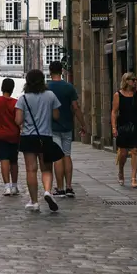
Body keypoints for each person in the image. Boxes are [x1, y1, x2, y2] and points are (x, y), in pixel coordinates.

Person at [15, 69, 62, 213]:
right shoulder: (50, 95)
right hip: (45, 136)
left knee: (31, 169)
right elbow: (56, 116)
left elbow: (18, 120)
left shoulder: (23, 99)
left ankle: (34, 201)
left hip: (29, 137)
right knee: (46, 168)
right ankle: (47, 191)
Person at [47, 61, 88, 198]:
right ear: (62, 71)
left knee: (57, 157)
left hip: (52, 127)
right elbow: (75, 107)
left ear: (50, 71)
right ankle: (69, 187)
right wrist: (83, 124)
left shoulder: (47, 88)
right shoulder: (69, 87)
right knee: (67, 154)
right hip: (67, 126)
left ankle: (60, 188)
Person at [0, 78, 20, 196]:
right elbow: (19, 119)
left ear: (2, 88)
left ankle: (7, 186)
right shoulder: (16, 102)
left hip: (0, 134)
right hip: (14, 134)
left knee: (4, 159)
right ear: (12, 89)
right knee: (14, 161)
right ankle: (15, 186)